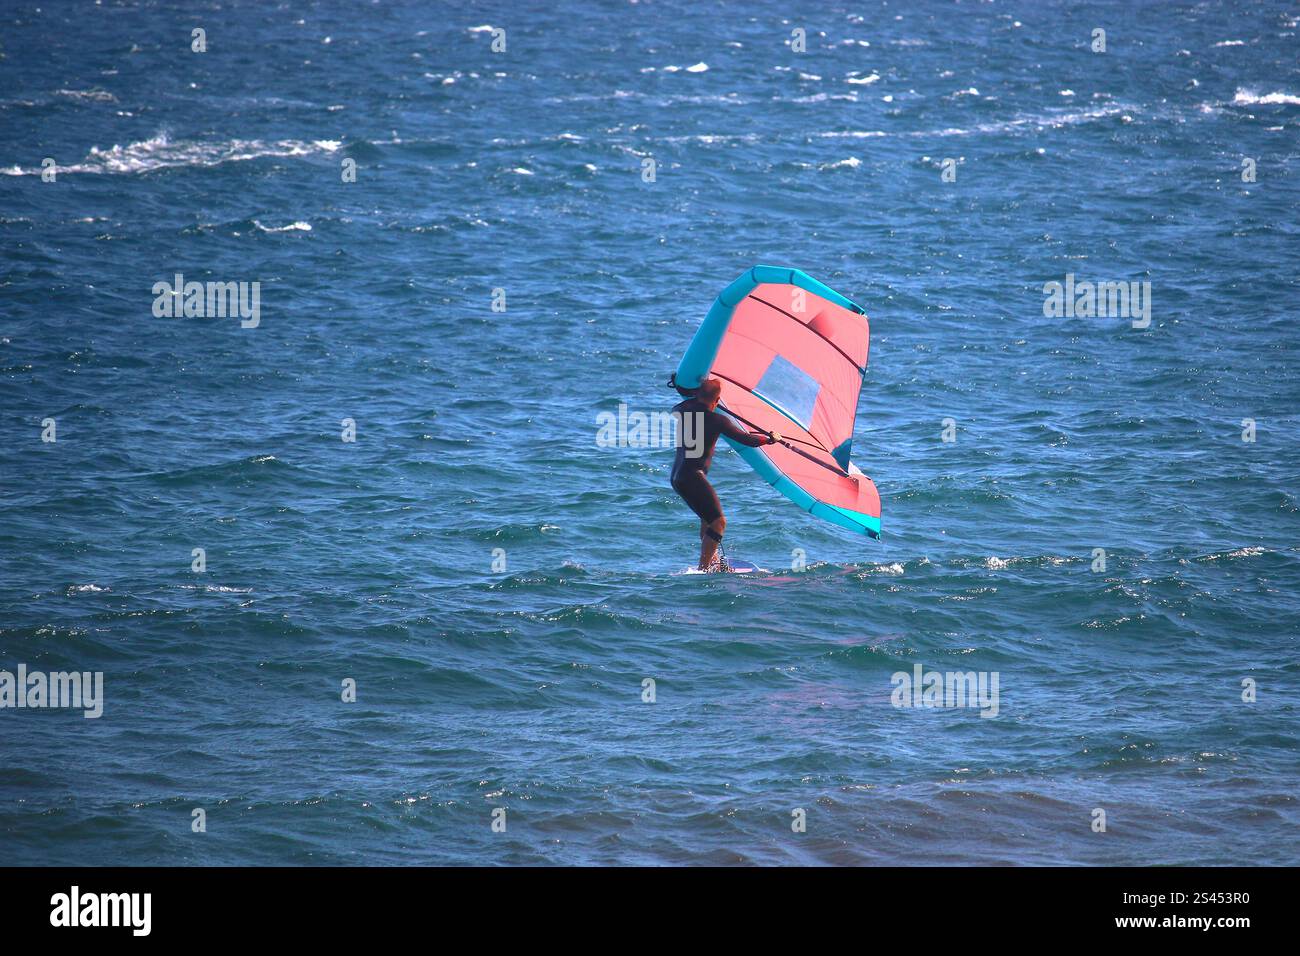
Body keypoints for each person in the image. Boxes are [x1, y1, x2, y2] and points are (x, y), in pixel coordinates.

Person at [670, 377, 779, 571]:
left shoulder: (681, 410)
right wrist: (770, 438)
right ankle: (703, 570)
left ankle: (711, 563)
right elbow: (747, 439)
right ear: (717, 400)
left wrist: (683, 386)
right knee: (719, 522)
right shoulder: (718, 420)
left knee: (707, 519)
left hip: (677, 477)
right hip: (693, 476)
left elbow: (685, 401)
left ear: (696, 394)